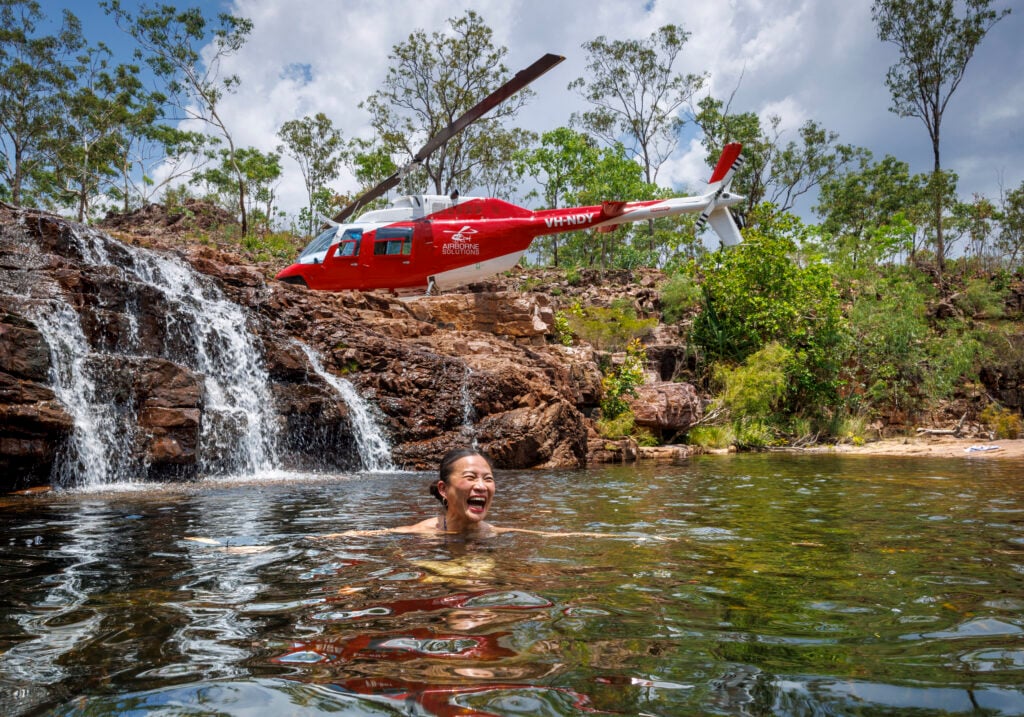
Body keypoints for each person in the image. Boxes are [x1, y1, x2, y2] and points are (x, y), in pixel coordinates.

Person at [319, 447, 626, 539]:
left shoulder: (493, 531)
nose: (482, 486)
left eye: (488, 479)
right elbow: (369, 534)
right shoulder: (422, 533)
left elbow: (552, 536)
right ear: (444, 489)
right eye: (470, 478)